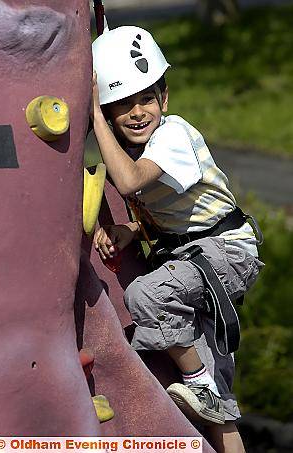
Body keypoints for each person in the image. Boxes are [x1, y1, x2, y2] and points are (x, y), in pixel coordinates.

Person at [91, 25, 264, 452]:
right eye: (122, 105)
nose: (137, 112)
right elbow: (164, 215)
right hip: (194, 255)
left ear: (164, 99)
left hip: (225, 250)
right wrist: (130, 231)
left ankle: (198, 383)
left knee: (146, 295)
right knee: (220, 411)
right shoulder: (134, 149)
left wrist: (93, 115)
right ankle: (210, 390)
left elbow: (131, 183)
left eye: (146, 98)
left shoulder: (172, 136)